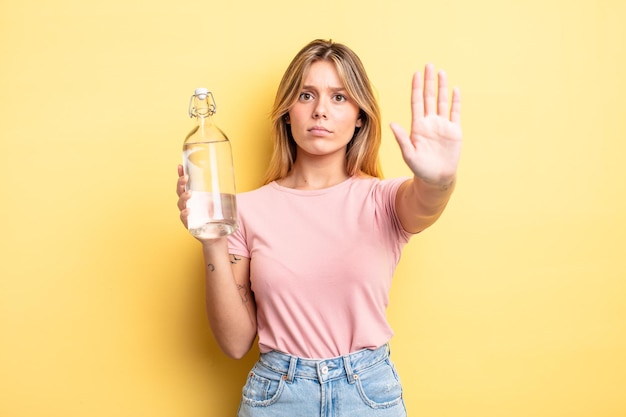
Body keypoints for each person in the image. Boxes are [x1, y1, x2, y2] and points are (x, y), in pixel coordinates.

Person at [176, 39, 462, 417]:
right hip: (277, 397)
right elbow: (234, 342)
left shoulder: (383, 200)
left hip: (367, 394)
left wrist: (439, 180)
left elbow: (426, 203)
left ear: (361, 115)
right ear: (287, 113)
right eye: (307, 95)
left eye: (339, 97)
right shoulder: (245, 210)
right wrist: (212, 242)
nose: (321, 111)